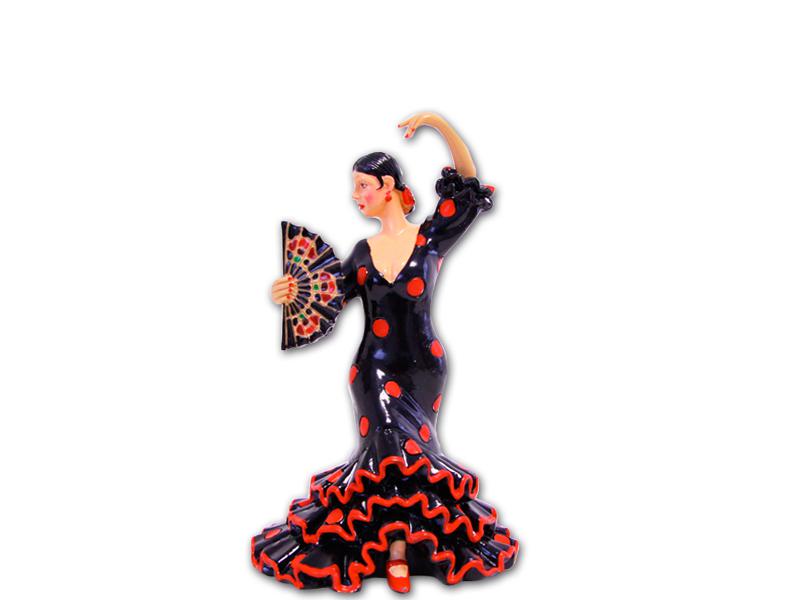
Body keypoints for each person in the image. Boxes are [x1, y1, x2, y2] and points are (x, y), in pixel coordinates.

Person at [253, 112, 519, 593]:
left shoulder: (430, 237)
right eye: (354, 187)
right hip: (372, 370)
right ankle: (394, 553)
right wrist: (289, 291)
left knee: (414, 456)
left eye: (363, 186)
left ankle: (409, 544)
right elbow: (324, 298)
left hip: (424, 369)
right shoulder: (360, 252)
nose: (356, 195)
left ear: (389, 186)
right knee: (387, 442)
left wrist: (438, 122)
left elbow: (468, 185)